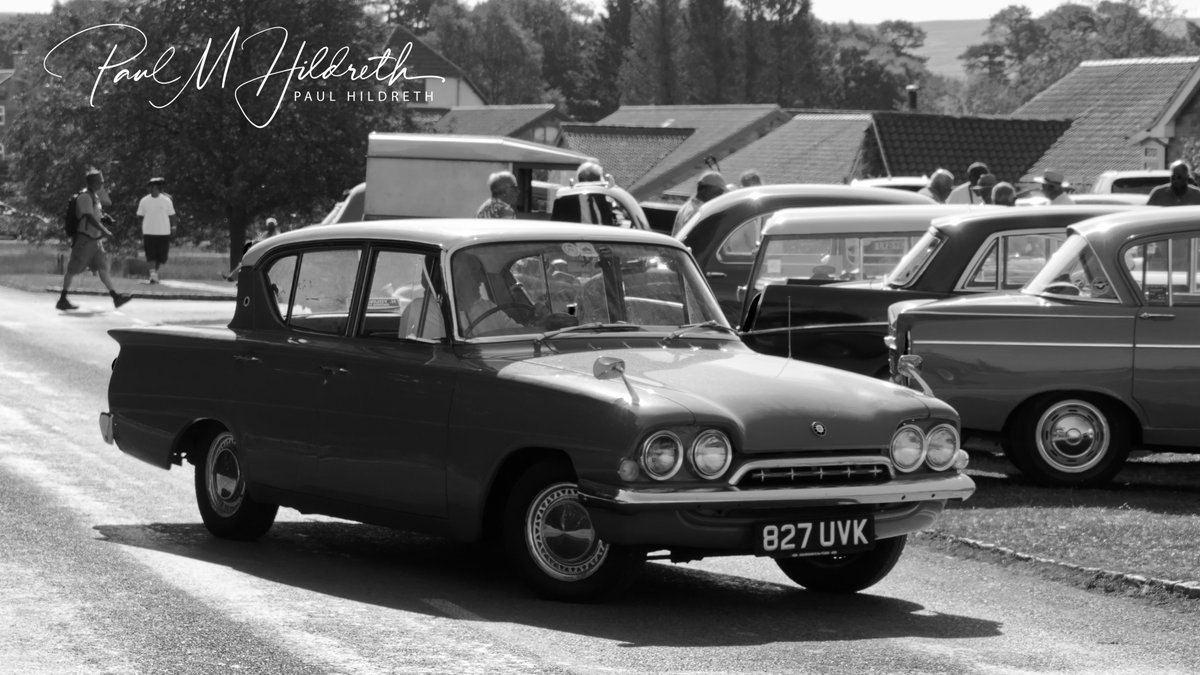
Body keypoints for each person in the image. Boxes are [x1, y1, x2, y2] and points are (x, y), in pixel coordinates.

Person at [57, 168, 132, 310]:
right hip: (84, 240)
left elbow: (96, 214)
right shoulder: (85, 197)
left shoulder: (94, 197)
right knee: (73, 270)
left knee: (103, 268)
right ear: (93, 182)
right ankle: (62, 299)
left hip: (96, 240)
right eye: (100, 181)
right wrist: (105, 230)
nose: (102, 183)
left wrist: (105, 218)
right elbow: (88, 217)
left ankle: (116, 297)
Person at [136, 176, 177, 284]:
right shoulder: (144, 200)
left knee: (162, 257)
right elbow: (140, 215)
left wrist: (174, 227)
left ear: (157, 187)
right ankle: (153, 276)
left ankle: (154, 275)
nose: (149, 188)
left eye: (151, 186)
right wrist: (143, 228)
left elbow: (172, 215)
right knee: (150, 255)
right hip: (149, 232)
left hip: (164, 232)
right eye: (149, 186)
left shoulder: (166, 200)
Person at [672, 171, 727, 237]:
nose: (720, 197)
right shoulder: (699, 213)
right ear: (705, 192)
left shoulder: (687, 206)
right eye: (718, 193)